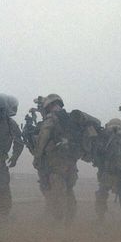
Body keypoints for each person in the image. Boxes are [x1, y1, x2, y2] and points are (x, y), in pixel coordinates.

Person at [33, 93, 79, 224]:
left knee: (56, 192)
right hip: (71, 162)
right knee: (69, 190)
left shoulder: (51, 119)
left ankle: (58, 220)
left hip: (55, 162)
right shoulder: (70, 119)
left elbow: (43, 139)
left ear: (48, 106)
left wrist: (37, 157)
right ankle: (70, 218)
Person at [93, 118, 121, 223]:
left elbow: (99, 154)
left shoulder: (108, 137)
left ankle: (100, 217)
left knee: (103, 194)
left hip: (112, 172)